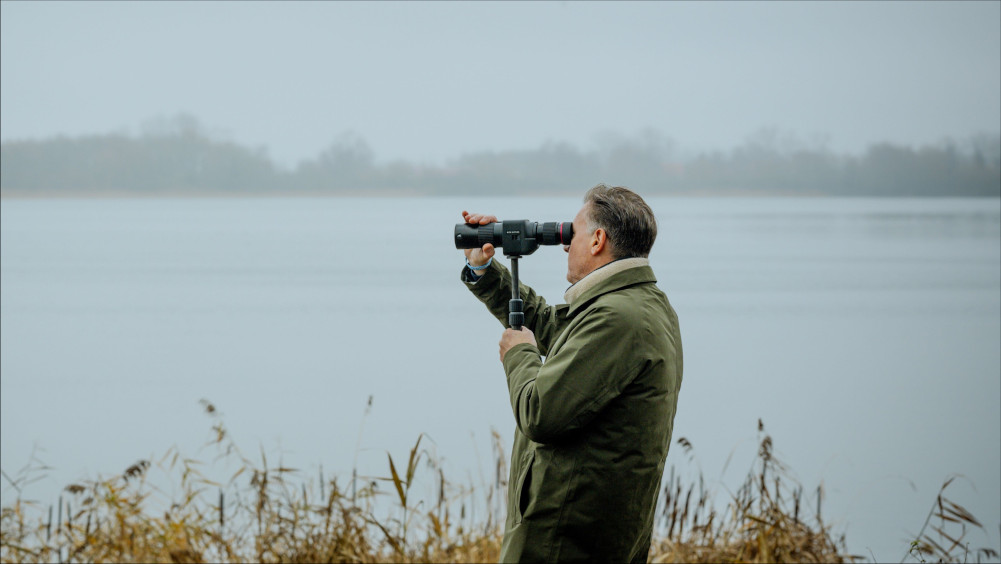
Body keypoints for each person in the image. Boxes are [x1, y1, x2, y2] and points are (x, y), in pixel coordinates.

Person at [459, 184, 684, 563]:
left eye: (572, 233)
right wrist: (484, 268)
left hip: (565, 541)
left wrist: (520, 355)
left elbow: (540, 413)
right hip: (586, 532)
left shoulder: (618, 318)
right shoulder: (638, 304)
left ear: (597, 240)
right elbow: (552, 326)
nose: (565, 244)